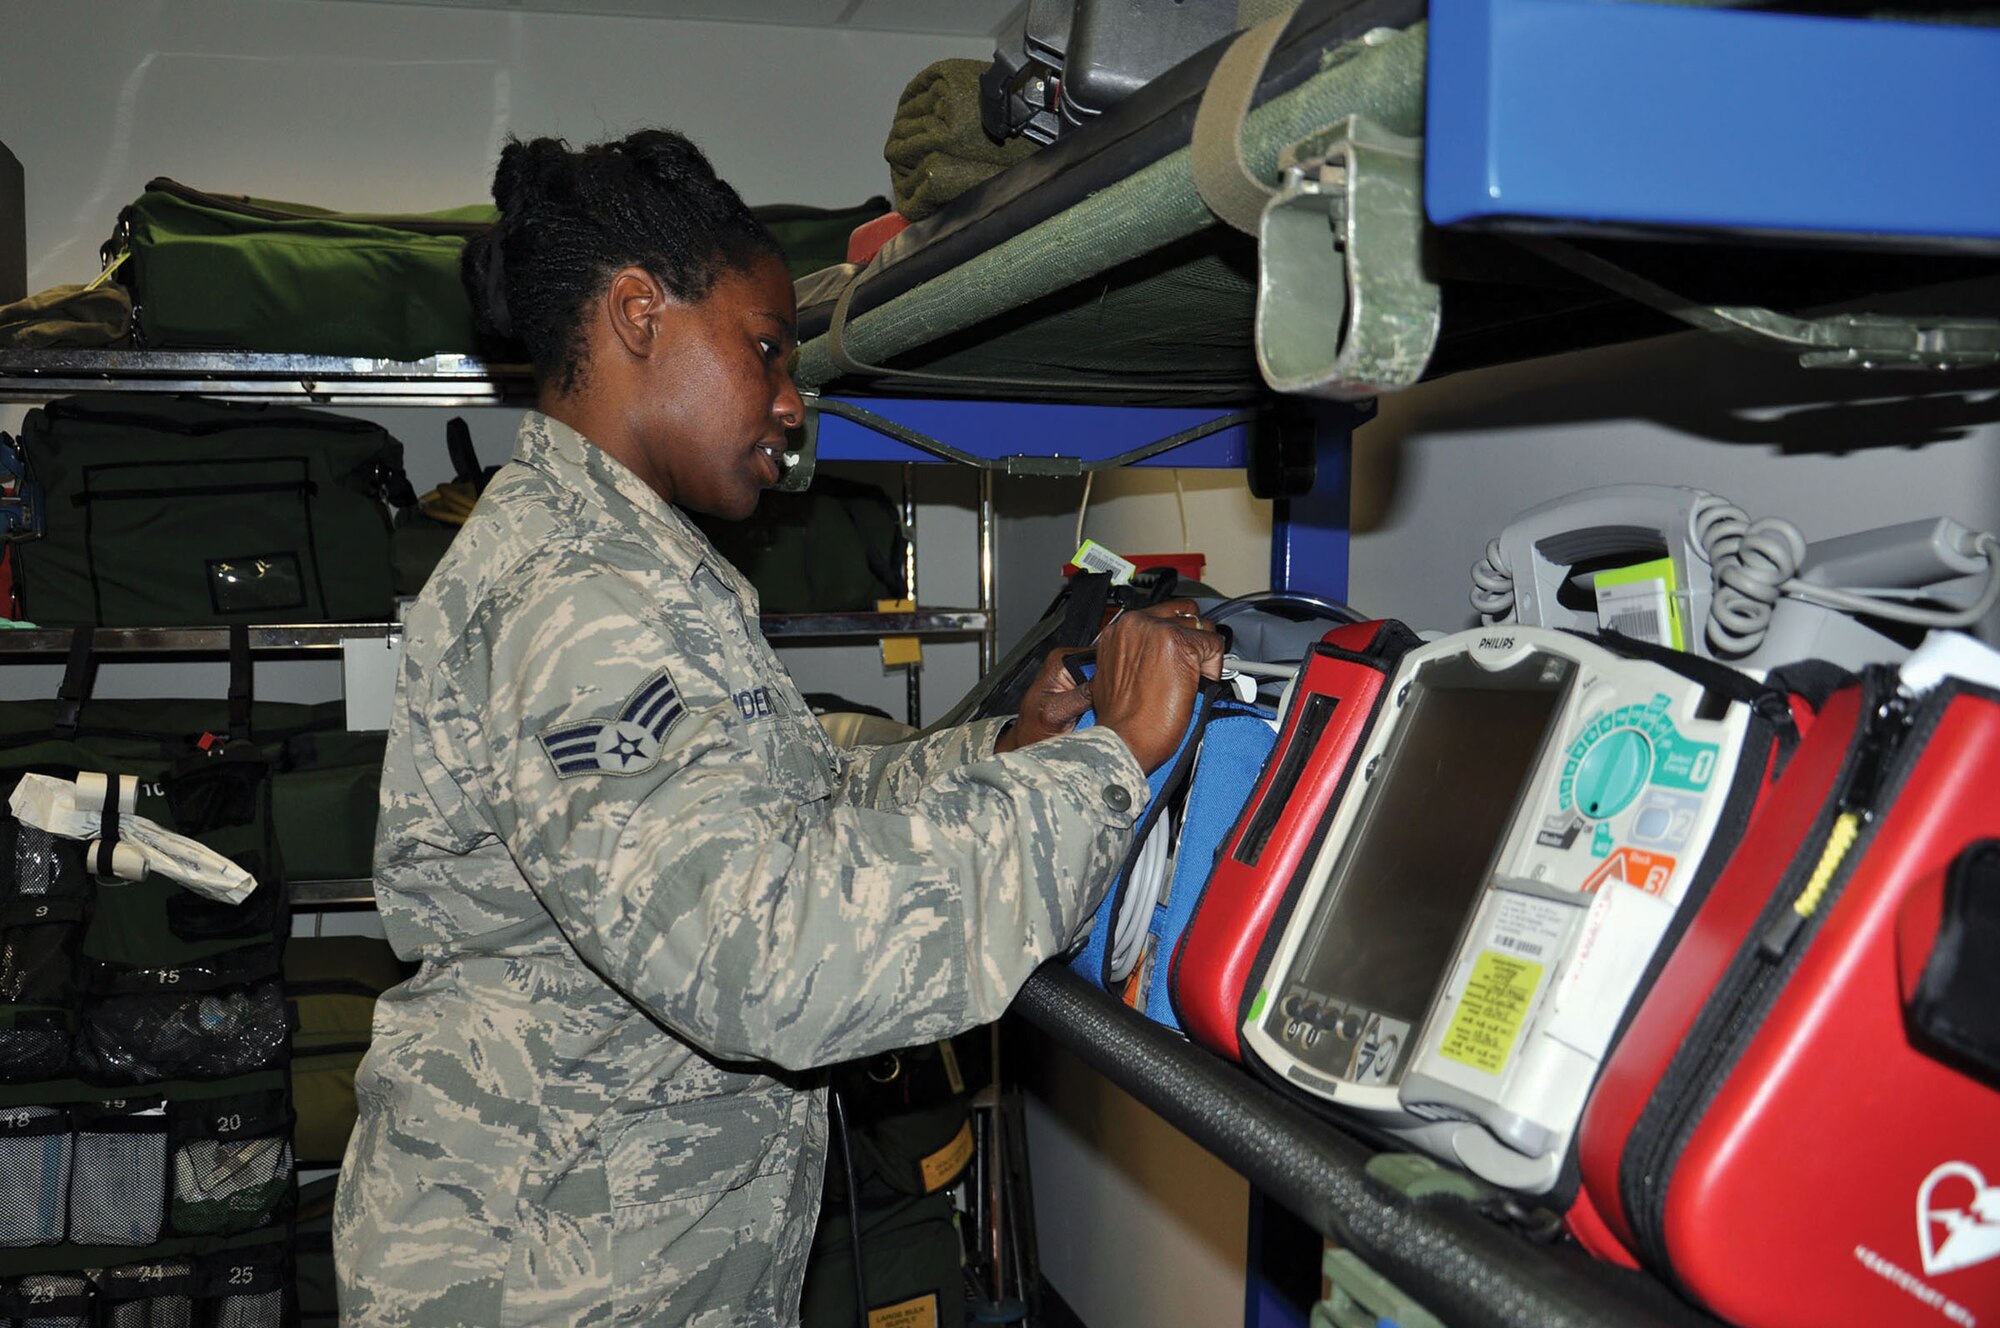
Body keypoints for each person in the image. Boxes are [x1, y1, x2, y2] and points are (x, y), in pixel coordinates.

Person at [333, 128, 1222, 1327]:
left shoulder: (628, 568)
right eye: (764, 350)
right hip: (545, 1278)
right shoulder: (574, 601)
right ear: (638, 316)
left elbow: (785, 805)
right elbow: (778, 956)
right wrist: (1108, 767)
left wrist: (1007, 753)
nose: (792, 403)